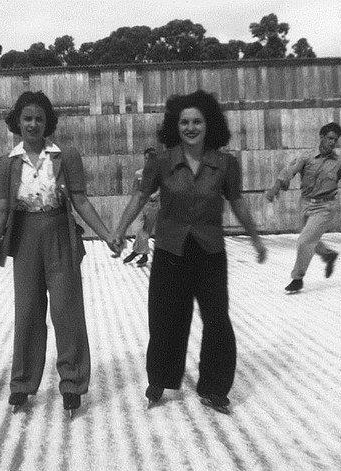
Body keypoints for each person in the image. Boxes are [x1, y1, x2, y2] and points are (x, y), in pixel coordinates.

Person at [113, 89, 267, 414]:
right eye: (185, 122)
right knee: (166, 318)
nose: (191, 127)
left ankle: (213, 388)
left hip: (210, 253)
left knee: (216, 320)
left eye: (197, 121)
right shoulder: (161, 162)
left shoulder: (225, 164)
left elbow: (237, 201)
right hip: (171, 252)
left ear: (209, 124)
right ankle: (160, 379)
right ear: (175, 125)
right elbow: (140, 198)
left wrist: (255, 237)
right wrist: (118, 229)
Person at [0, 91, 119, 415]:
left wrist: (108, 235)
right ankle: (23, 384)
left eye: (39, 119)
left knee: (66, 312)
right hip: (25, 239)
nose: (32, 124)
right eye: (27, 118)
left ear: (48, 123)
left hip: (60, 236)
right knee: (27, 312)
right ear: (17, 122)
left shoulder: (66, 156)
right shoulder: (8, 163)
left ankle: (72, 384)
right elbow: (2, 209)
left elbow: (81, 201)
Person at [265, 122, 341, 293]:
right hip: (305, 204)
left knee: (304, 240)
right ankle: (328, 255)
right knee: (311, 239)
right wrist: (274, 189)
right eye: (330, 138)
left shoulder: (340, 164)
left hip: (325, 207)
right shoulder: (306, 157)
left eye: (335, 140)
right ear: (322, 137)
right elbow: (288, 171)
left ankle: (297, 278)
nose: (332, 142)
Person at [122, 148, 160, 267]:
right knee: (139, 229)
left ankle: (139, 253)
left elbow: (161, 189)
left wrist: (155, 195)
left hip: (152, 205)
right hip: (140, 205)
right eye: (146, 158)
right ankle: (142, 253)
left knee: (145, 232)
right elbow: (135, 189)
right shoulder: (139, 173)